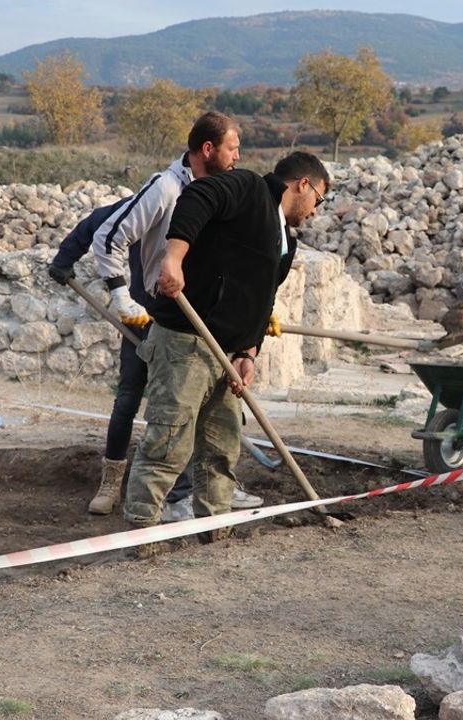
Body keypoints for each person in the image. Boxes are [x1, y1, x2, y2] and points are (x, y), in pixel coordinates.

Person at [47, 110, 263, 517]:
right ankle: (114, 484)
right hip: (151, 314)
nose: (238, 157)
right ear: (207, 148)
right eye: (233, 148)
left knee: (192, 407)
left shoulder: (223, 190)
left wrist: (251, 312)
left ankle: (191, 494)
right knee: (134, 398)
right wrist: (113, 291)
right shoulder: (165, 189)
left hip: (200, 317)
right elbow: (105, 225)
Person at [123, 151, 330, 539]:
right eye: (319, 199)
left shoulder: (286, 242)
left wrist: (249, 353)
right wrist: (175, 258)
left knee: (220, 451)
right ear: (303, 184)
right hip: (186, 342)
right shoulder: (249, 187)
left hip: (229, 357)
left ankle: (215, 534)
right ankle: (140, 536)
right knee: (167, 444)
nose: (316, 211)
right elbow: (199, 196)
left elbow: (262, 301)